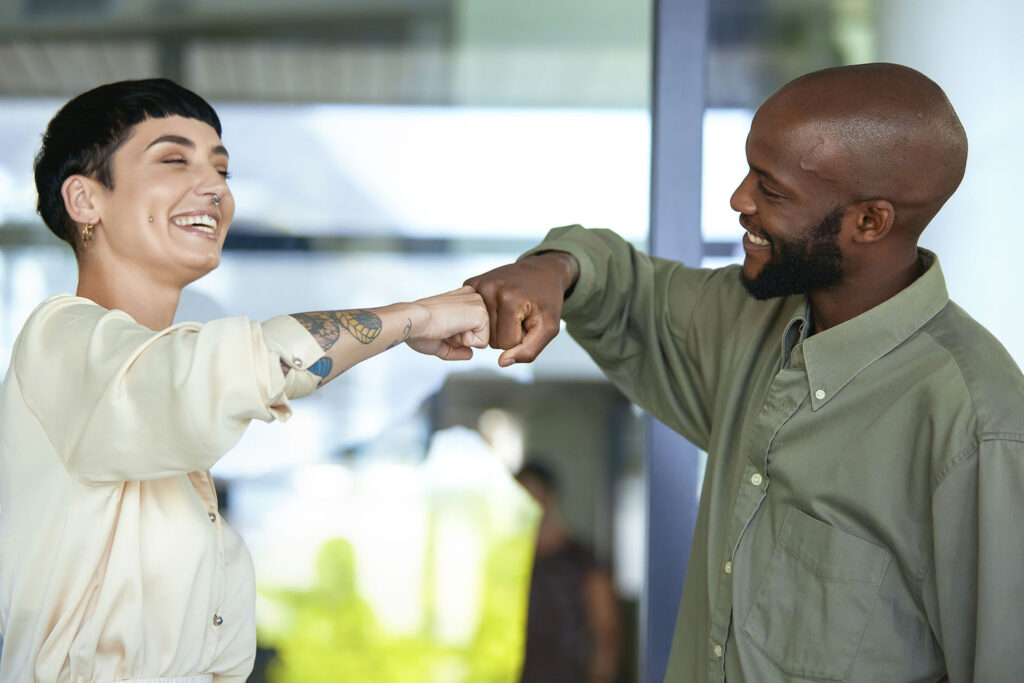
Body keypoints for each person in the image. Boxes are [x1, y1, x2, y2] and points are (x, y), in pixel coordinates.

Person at [465, 63, 1024, 682]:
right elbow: (622, 288)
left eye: (772, 189)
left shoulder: (977, 430)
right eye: (749, 171)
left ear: (870, 221)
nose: (739, 200)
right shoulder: (749, 320)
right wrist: (553, 268)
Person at [0, 78, 489, 682]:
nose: (214, 188)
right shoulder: (61, 338)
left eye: (222, 170)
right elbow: (238, 368)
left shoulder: (149, 398)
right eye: (174, 159)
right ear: (84, 201)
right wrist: (414, 317)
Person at [515, 460, 620, 683]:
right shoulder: (510, 561)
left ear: (549, 497)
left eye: (531, 495)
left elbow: (606, 637)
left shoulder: (584, 561)